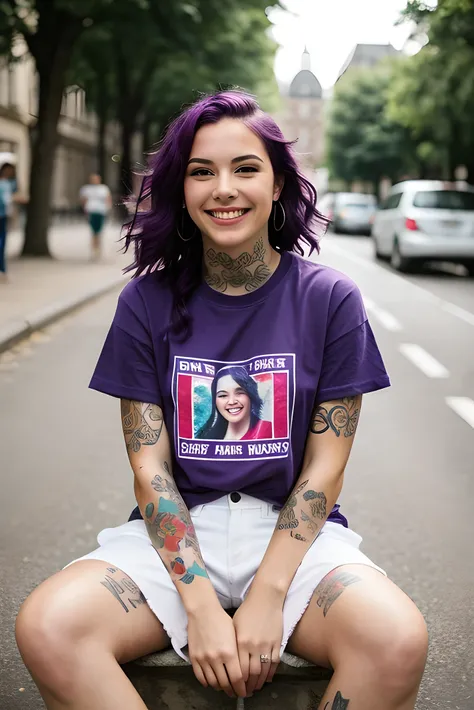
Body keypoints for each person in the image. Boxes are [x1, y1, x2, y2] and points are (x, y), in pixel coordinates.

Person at [15, 90, 428, 709]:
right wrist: (201, 605)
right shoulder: (144, 304)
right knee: (48, 626)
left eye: (245, 168)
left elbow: (325, 467)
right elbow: (149, 468)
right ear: (181, 192)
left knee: (396, 640)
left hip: (294, 536)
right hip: (179, 534)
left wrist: (267, 594)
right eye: (201, 171)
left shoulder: (331, 300)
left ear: (280, 185)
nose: (223, 188)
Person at [196, 365, 272, 440]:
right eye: (223, 395)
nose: (232, 402)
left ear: (250, 394)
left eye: (239, 393)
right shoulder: (206, 438)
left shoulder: (269, 431)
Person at [79, 173, 112, 260]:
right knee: (93, 231)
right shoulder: (86, 189)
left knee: (99, 231)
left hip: (101, 211)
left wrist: (107, 208)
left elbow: (108, 199)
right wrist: (85, 210)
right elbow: (83, 200)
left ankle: (98, 249)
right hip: (91, 211)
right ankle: (94, 249)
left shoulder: (103, 188)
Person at [0, 162, 18, 283]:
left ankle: (3, 270)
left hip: (4, 215)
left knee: (2, 244)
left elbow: (10, 198)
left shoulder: (11, 183)